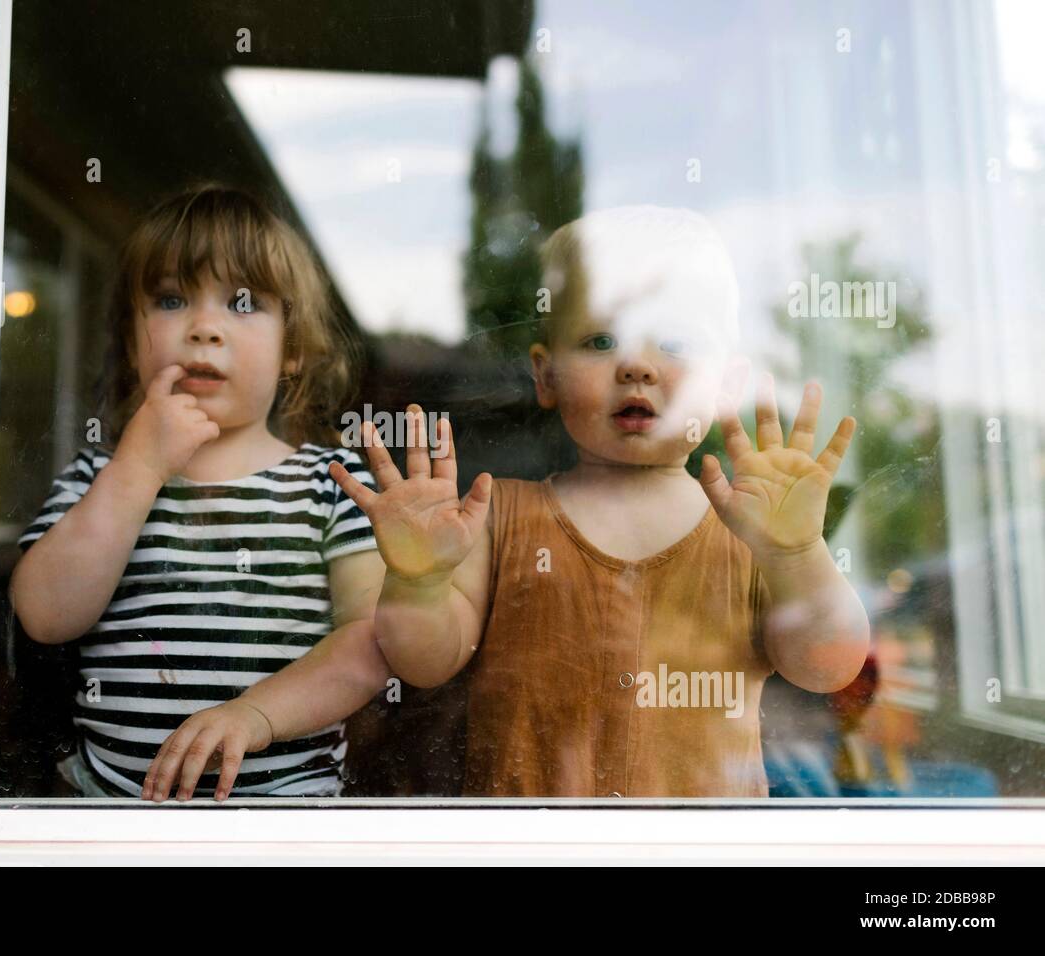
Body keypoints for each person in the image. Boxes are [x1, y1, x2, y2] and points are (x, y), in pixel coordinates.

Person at [329, 206, 871, 796]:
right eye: (601, 340)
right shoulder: (500, 518)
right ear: (546, 376)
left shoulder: (751, 530)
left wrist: (795, 555)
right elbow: (423, 662)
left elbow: (828, 666)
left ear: (725, 388)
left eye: (673, 341)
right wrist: (418, 582)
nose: (635, 364)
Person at [10, 183, 390, 801]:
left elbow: (372, 641)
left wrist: (256, 715)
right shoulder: (99, 477)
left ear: (292, 349)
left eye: (243, 302)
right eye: (170, 299)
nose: (204, 327)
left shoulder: (334, 483)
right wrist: (137, 468)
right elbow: (47, 616)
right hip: (109, 821)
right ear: (136, 344)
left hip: (283, 823)